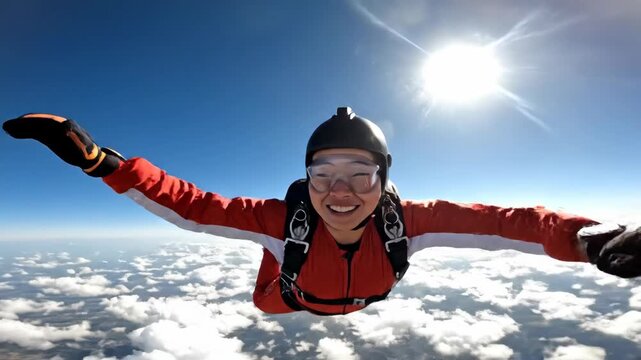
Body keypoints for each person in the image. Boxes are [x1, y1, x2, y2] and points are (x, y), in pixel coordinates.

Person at [3, 108, 640, 316]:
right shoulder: (279, 220)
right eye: (323, 175)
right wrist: (99, 162)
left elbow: (508, 222)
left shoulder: (409, 221)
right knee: (268, 286)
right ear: (304, 179)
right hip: (285, 296)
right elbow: (189, 205)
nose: (340, 191)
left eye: (359, 174)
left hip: (370, 291)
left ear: (384, 180)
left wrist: (590, 238)